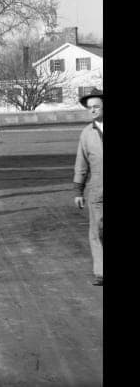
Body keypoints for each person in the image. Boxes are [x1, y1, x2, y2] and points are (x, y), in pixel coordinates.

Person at [73, 90, 103, 286]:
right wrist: (78, 190)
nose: (92, 110)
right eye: (89, 107)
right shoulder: (86, 133)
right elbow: (81, 163)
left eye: (96, 106)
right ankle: (100, 272)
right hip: (97, 189)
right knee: (97, 229)